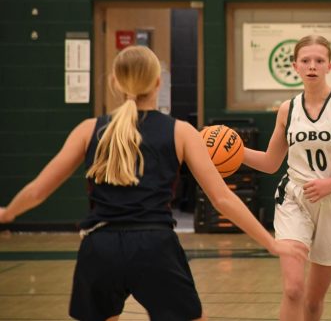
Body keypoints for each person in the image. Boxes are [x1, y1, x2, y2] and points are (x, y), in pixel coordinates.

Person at [0, 45, 306, 321]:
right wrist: (270, 243)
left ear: (115, 83)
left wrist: (6, 214)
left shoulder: (89, 129)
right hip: (155, 247)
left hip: (99, 246)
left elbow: (39, 189)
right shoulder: (181, 132)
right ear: (158, 84)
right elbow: (222, 198)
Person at [243, 35, 331, 321]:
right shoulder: (287, 109)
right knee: (293, 289)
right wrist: (235, 151)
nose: (312, 66)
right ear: (295, 66)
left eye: (319, 60)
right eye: (305, 61)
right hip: (295, 199)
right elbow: (271, 163)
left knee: (312, 301)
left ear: (329, 65)